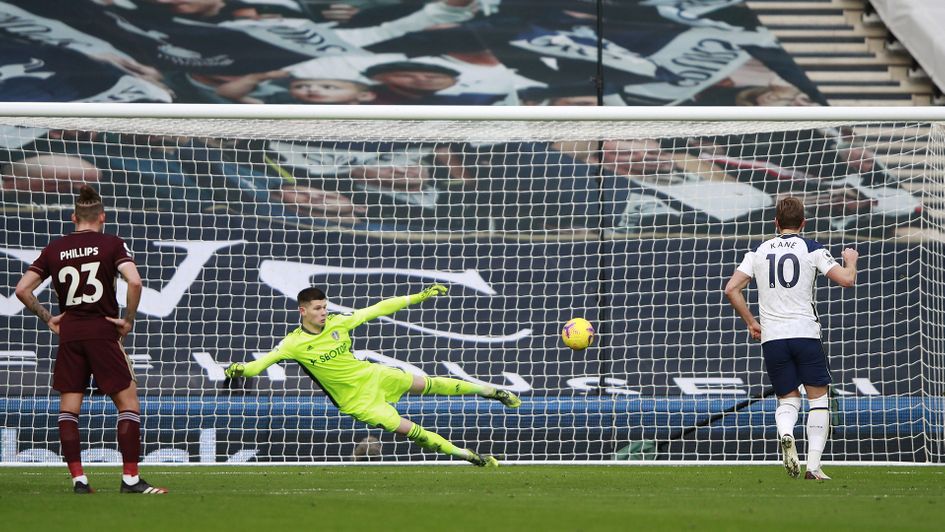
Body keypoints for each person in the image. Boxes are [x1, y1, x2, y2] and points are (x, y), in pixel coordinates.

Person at [224, 284, 521, 466]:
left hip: (373, 375)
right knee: (412, 431)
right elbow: (257, 367)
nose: (324, 312)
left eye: (325, 307)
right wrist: (238, 369)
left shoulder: (339, 322)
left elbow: (377, 308)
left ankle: (491, 391)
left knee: (429, 383)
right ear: (303, 311)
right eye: (317, 308)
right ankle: (469, 456)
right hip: (357, 401)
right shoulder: (292, 344)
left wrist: (418, 297)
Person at [13, 185, 167, 494]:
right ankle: (131, 479)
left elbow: (22, 290)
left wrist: (48, 317)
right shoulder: (112, 244)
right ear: (102, 217)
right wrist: (129, 319)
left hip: (70, 334)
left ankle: (79, 480)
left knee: (69, 409)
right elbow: (134, 281)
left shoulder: (54, 249)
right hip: (102, 331)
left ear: (73, 217)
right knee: (128, 404)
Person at [723, 196, 858, 480]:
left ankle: (786, 433)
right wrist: (850, 261)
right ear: (803, 223)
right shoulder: (812, 248)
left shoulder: (758, 251)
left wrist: (751, 322)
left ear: (776, 222)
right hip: (805, 334)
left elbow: (731, 289)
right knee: (818, 400)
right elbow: (846, 280)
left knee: (788, 399)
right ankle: (814, 467)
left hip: (772, 337)